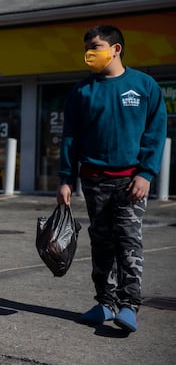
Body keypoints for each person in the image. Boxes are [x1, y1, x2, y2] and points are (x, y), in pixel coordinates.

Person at [57, 25, 166, 333]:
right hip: (93, 180)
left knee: (129, 241)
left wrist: (146, 173)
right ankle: (105, 303)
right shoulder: (81, 91)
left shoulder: (144, 85)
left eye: (96, 46)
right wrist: (66, 179)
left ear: (116, 48)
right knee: (101, 243)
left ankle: (129, 306)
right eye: (87, 47)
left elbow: (156, 134)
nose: (89, 53)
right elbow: (69, 139)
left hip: (132, 180)